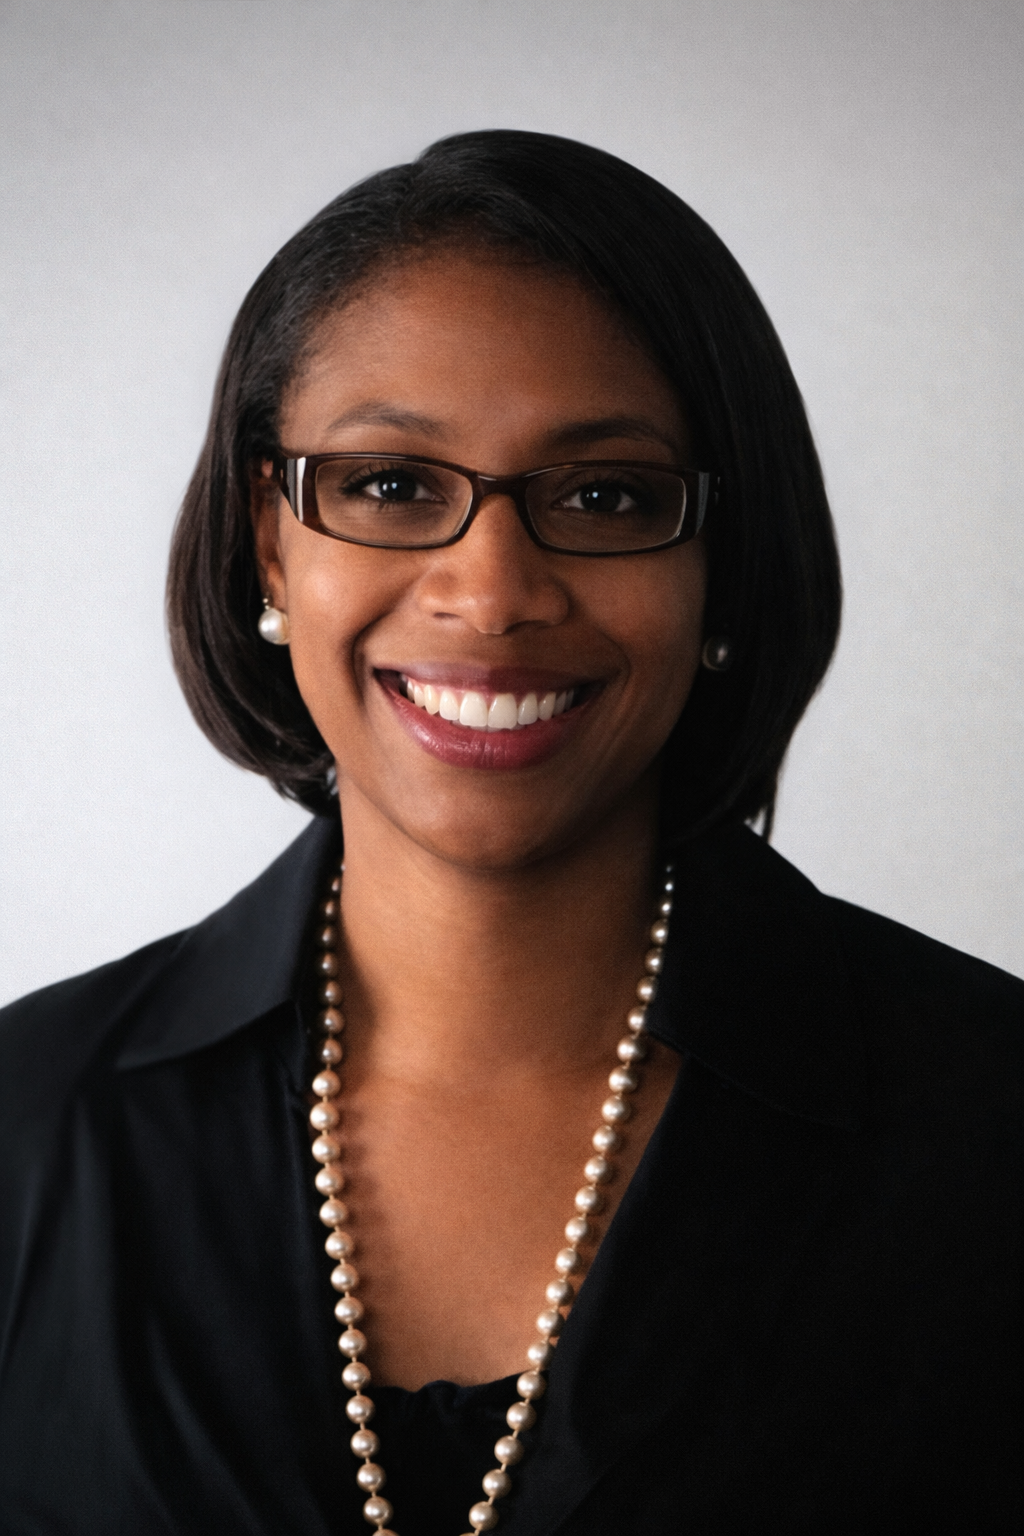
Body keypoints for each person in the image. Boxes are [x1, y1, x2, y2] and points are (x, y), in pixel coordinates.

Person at [0, 130, 1020, 1536]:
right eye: (391, 485)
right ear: (268, 544)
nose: (491, 592)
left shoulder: (992, 1128)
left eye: (606, 497)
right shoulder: (26, 1125)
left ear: (724, 567)